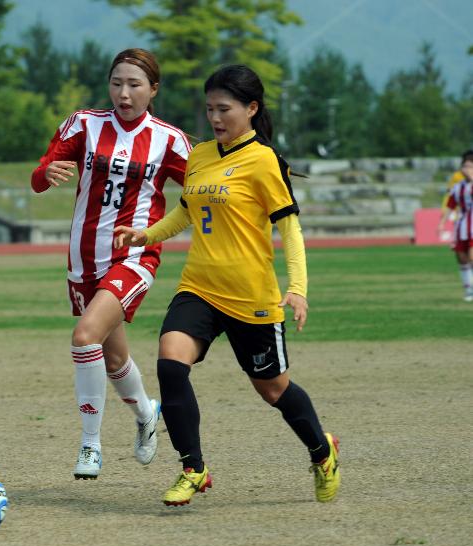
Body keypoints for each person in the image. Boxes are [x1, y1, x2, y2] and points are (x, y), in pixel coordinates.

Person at [114, 64, 340, 505]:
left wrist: (298, 288)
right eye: (209, 109)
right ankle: (193, 468)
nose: (215, 119)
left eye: (225, 109)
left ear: (252, 109)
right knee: (170, 363)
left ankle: (321, 450)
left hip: (251, 297)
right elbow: (187, 211)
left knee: (272, 388)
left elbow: (289, 228)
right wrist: (148, 234)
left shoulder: (264, 161)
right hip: (199, 285)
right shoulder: (199, 155)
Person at [30, 48, 190, 479]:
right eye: (117, 82)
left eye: (135, 84)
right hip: (84, 259)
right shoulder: (83, 123)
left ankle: (90, 445)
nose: (124, 92)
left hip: (134, 256)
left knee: (85, 338)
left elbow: (203, 185)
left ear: (153, 90)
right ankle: (145, 414)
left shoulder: (169, 140)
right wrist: (46, 174)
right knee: (114, 358)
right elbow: (41, 172)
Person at [438, 150, 473, 301]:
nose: (465, 169)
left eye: (469, 166)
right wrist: (441, 223)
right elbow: (451, 204)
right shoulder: (458, 186)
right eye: (464, 166)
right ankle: (469, 289)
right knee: (461, 257)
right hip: (462, 224)